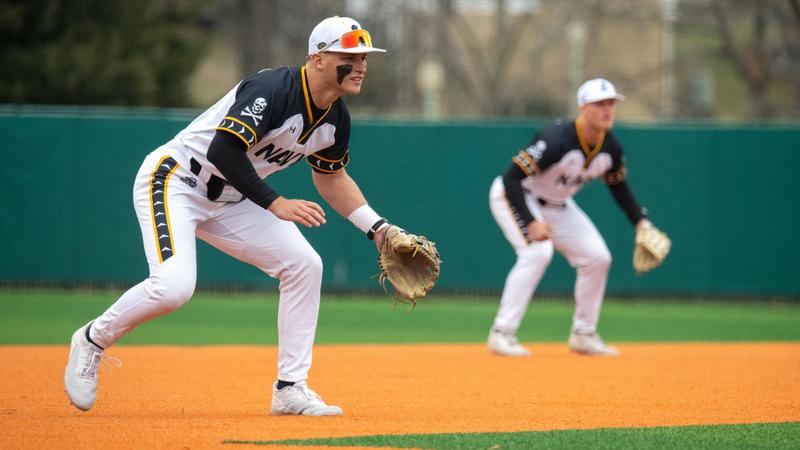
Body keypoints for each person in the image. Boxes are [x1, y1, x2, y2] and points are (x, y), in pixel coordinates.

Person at [65, 16, 393, 416]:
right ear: (318, 58)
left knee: (305, 265)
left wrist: (377, 228)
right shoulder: (273, 89)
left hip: (235, 198)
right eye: (350, 55)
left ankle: (290, 387)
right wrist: (275, 203)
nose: (360, 65)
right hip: (177, 180)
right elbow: (223, 151)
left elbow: (332, 179)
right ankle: (92, 339)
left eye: (365, 57)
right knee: (173, 287)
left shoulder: (336, 119)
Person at [487, 78, 660, 357]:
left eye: (611, 104)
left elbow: (619, 187)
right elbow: (511, 179)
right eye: (600, 104)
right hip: (516, 197)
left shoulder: (611, 148)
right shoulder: (556, 141)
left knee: (598, 258)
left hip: (558, 204)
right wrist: (531, 220)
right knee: (537, 253)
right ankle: (501, 332)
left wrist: (641, 222)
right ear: (582, 107)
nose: (607, 109)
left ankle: (583, 334)